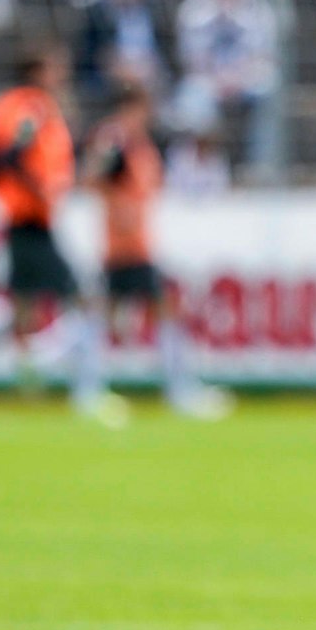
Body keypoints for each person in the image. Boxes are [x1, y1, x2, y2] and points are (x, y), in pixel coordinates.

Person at [0, 42, 118, 421]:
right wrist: (38, 187)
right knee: (79, 298)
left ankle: (27, 369)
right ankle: (84, 389)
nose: (62, 75)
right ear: (37, 72)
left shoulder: (40, 108)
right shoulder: (28, 106)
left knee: (21, 305)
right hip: (29, 217)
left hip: (34, 218)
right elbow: (10, 154)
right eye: (54, 68)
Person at [83, 83, 232, 417]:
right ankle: (177, 390)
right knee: (156, 310)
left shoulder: (140, 147)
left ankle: (90, 389)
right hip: (125, 246)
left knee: (108, 314)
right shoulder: (115, 141)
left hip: (137, 243)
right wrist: (118, 207)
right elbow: (94, 178)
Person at [171, 0, 279, 173]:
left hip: (246, 80)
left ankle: (263, 166)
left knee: (271, 89)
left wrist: (238, 78)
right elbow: (191, 60)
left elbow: (264, 57)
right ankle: (202, 170)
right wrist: (217, 79)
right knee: (192, 98)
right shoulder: (194, 10)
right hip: (207, 80)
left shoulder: (259, 11)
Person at [75, 0, 168, 101]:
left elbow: (164, 54)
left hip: (152, 81)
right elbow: (93, 55)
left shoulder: (155, 12)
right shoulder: (97, 13)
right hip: (111, 83)